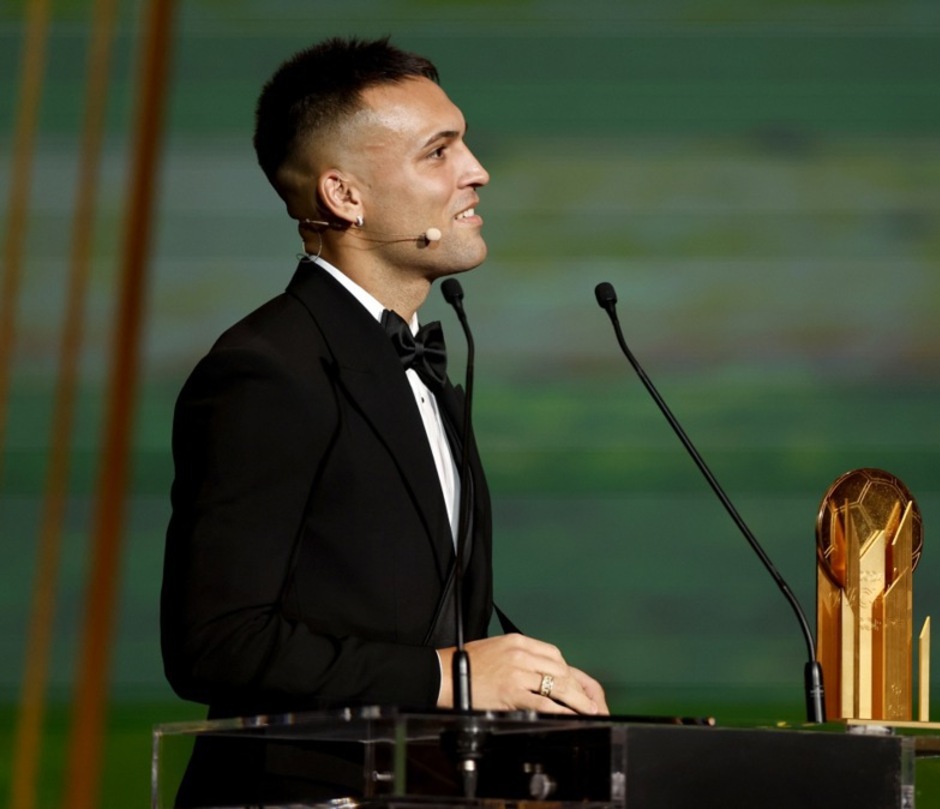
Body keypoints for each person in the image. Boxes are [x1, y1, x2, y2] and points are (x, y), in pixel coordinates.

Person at [160, 36, 607, 804]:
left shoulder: (417, 364)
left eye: (462, 142)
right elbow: (216, 642)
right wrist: (454, 675)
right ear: (345, 196)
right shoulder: (267, 370)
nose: (476, 170)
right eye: (438, 152)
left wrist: (533, 684)